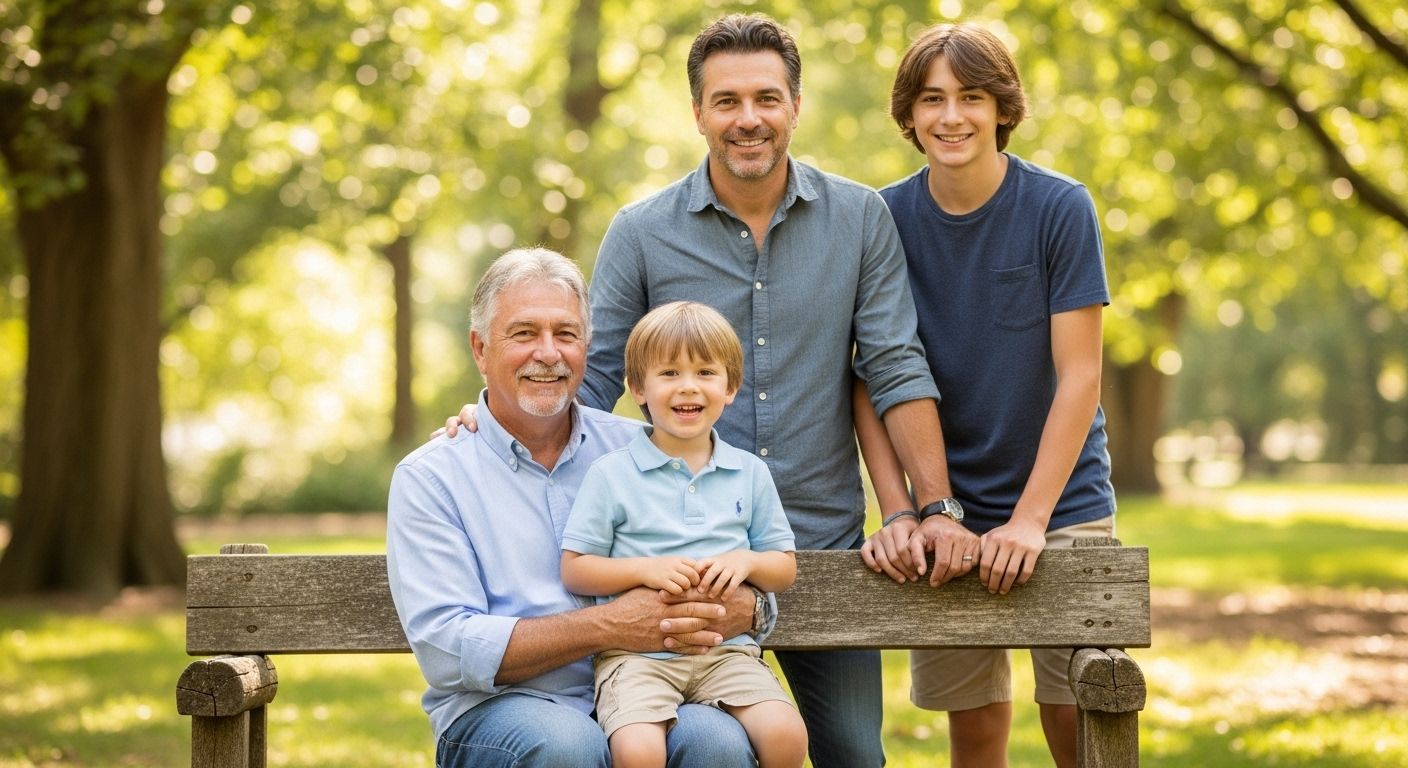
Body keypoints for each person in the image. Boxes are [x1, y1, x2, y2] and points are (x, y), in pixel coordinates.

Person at [444, 14, 967, 766]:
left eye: (765, 98)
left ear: (795, 105)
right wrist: (493, 421)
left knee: (854, 752)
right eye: (726, 102)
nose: (747, 119)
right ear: (698, 114)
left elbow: (893, 364)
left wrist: (935, 507)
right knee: (705, 750)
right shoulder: (643, 231)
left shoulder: (859, 218)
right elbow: (585, 382)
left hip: (813, 548)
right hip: (675, 575)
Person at [387, 248, 767, 768]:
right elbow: (448, 649)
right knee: (569, 746)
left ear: (586, 347)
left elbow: (738, 548)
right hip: (506, 708)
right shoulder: (433, 476)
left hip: (656, 685)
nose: (548, 353)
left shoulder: (649, 448)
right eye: (523, 334)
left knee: (716, 743)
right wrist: (609, 626)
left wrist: (755, 608)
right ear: (480, 348)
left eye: (565, 334)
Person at [857, 22, 1119, 768]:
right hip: (949, 515)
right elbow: (866, 378)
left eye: (971, 96)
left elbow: (1080, 377)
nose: (951, 116)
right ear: (908, 114)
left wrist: (1031, 521)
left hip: (1062, 503)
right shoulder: (882, 220)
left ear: (1003, 107)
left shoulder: (1059, 208)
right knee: (973, 734)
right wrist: (904, 510)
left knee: (1076, 717)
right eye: (932, 98)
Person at [561, 300, 807, 768]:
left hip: (727, 654)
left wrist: (747, 562)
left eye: (705, 372)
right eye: (669, 373)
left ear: (730, 387)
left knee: (787, 735)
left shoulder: (749, 472)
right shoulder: (612, 474)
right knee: (638, 751)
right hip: (636, 659)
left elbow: (783, 568)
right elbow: (575, 569)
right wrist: (645, 570)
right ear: (638, 387)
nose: (688, 387)